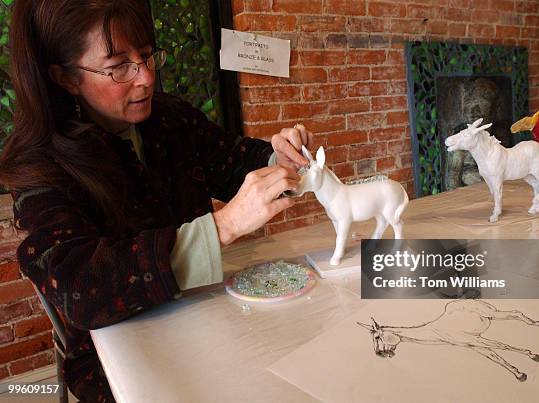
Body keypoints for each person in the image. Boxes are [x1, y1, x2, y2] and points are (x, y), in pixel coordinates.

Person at [0, 1, 312, 401]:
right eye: (118, 66)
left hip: (206, 314)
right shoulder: (41, 165)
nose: (146, 77)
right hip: (120, 355)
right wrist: (224, 226)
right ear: (66, 78)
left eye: (146, 55)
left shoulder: (170, 119)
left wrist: (277, 154)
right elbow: (80, 288)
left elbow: (233, 160)